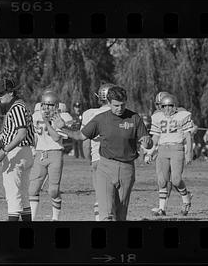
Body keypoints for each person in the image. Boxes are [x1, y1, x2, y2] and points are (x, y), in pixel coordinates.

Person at [53, 86, 153, 221]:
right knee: (106, 214)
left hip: (127, 169)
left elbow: (147, 141)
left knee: (121, 215)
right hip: (105, 168)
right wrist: (63, 128)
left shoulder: (134, 118)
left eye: (122, 105)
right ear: (109, 102)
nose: (119, 108)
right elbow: (80, 136)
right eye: (116, 105)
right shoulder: (100, 119)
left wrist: (148, 143)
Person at [0, 78, 35, 221]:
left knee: (13, 195)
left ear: (11, 92)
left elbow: (21, 134)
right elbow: (6, 134)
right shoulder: (18, 106)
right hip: (24, 152)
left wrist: (5, 150)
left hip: (17, 152)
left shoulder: (16, 108)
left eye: (2, 93)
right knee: (23, 195)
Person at [29, 90, 73, 221]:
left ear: (56, 106)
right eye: (44, 105)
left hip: (55, 153)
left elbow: (55, 137)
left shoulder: (61, 118)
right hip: (40, 153)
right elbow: (32, 136)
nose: (47, 108)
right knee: (32, 189)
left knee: (53, 190)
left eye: (50, 105)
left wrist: (47, 122)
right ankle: (31, 219)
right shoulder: (35, 116)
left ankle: (55, 218)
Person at [148, 94, 193, 216]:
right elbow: (156, 136)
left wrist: (189, 152)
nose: (167, 108)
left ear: (175, 106)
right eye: (164, 106)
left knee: (176, 180)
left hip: (176, 149)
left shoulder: (182, 115)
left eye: (170, 106)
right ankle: (162, 209)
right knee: (162, 180)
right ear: (161, 107)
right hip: (162, 149)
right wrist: (150, 151)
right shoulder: (157, 117)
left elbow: (188, 136)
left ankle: (186, 199)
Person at [81, 83, 113, 221]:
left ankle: (100, 220)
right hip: (117, 159)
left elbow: (85, 141)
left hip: (97, 158)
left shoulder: (89, 114)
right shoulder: (121, 113)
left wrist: (89, 158)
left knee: (100, 194)